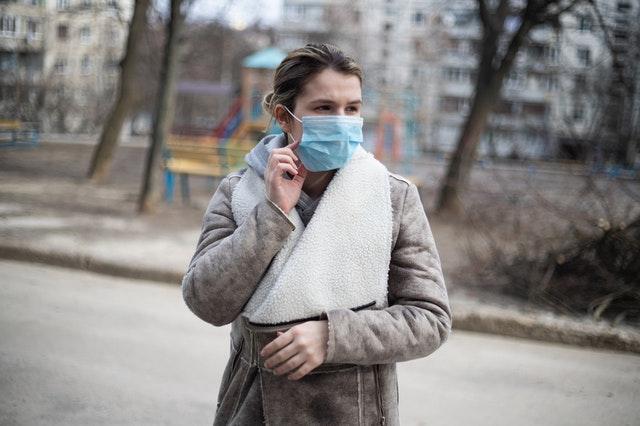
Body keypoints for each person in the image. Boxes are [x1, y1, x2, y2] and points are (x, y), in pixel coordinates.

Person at [181, 43, 452, 425]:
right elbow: (205, 301)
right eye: (324, 108)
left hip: (354, 411)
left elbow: (430, 319)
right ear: (285, 116)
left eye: (352, 109)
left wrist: (333, 336)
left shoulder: (392, 196)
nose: (342, 121)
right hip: (254, 410)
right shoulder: (238, 192)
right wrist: (272, 214)